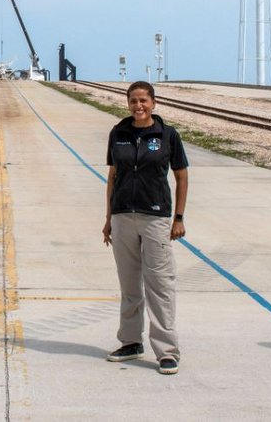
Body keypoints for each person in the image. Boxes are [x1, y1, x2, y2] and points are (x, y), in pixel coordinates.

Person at [102, 80, 189, 374]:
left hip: (156, 219)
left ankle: (167, 351)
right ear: (128, 103)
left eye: (143, 101)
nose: (138, 106)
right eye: (133, 101)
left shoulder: (167, 135)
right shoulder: (119, 133)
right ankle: (130, 342)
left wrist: (178, 217)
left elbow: (181, 176)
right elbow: (113, 177)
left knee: (160, 286)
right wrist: (107, 219)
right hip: (123, 216)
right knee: (129, 285)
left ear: (153, 103)